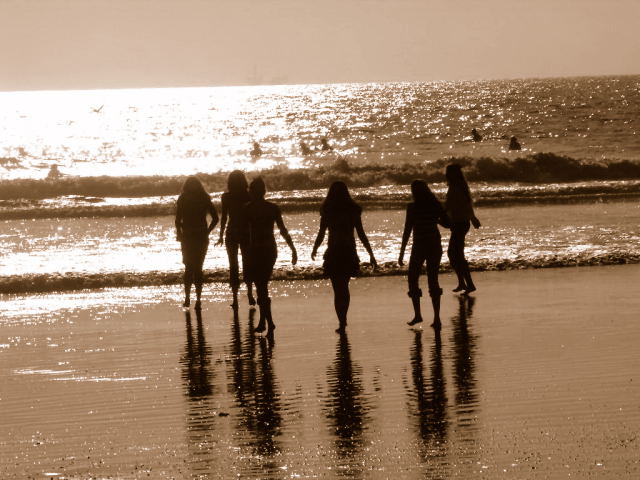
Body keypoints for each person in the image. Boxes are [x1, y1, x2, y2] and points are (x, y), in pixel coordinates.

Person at [312, 181, 377, 333]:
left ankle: (341, 321)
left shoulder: (328, 210)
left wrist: (315, 248)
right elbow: (361, 234)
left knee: (337, 289)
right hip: (348, 251)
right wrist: (370, 253)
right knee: (345, 288)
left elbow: (321, 233)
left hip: (334, 252)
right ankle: (344, 319)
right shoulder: (353, 210)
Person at [245, 177, 297, 334]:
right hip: (269, 250)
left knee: (261, 287)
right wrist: (292, 248)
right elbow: (283, 230)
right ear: (264, 191)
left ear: (253, 192)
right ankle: (265, 322)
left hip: (256, 251)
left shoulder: (247, 209)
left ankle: (269, 323)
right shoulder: (272, 208)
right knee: (262, 287)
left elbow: (243, 234)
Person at [398, 180, 449, 329]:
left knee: (413, 278)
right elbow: (448, 224)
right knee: (433, 279)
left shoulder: (412, 207)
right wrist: (436, 219)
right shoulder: (435, 205)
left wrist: (401, 252)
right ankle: (437, 318)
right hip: (434, 244)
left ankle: (418, 314)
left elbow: (407, 229)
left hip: (419, 245)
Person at [175, 176, 218, 309]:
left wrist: (180, 233)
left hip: (191, 236)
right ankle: (193, 299)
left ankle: (193, 299)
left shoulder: (185, 198)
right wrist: (206, 231)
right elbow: (215, 218)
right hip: (197, 236)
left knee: (192, 268)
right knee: (194, 268)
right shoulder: (203, 197)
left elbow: (178, 220)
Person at [216, 170, 255, 308]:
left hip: (231, 232)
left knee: (233, 265)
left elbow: (224, 218)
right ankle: (250, 294)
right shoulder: (248, 195)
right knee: (247, 262)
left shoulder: (226, 197)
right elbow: (252, 217)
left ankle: (235, 299)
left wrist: (220, 235)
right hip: (246, 232)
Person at [445, 164, 480, 294]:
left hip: (460, 223)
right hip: (460, 222)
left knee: (454, 254)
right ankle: (463, 283)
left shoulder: (457, 186)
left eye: (449, 172)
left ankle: (468, 284)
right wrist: (473, 218)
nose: (446, 174)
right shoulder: (459, 185)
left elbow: (449, 205)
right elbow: (466, 204)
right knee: (456, 254)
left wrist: (438, 214)